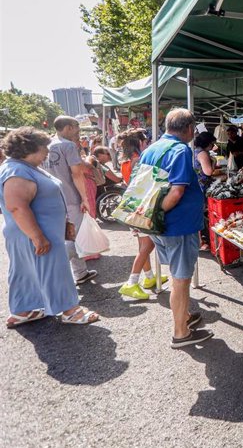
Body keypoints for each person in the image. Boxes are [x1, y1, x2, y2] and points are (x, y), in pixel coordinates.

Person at [0, 127, 99, 327]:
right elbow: (17, 206)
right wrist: (37, 236)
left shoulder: (19, 167)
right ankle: (70, 311)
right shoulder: (17, 171)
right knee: (55, 270)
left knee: (25, 272)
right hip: (36, 233)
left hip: (30, 233)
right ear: (30, 148)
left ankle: (24, 310)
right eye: (44, 147)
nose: (47, 152)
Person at [138, 108, 211, 348]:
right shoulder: (180, 151)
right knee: (181, 280)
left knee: (176, 276)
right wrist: (157, 214)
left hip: (159, 228)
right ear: (189, 129)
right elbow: (177, 192)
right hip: (177, 227)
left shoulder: (150, 149)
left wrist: (150, 217)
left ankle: (186, 317)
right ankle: (181, 332)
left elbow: (142, 187)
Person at [42, 116, 98, 285]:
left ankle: (80, 272)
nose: (78, 130)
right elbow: (77, 173)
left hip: (51, 198)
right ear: (67, 128)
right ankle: (52, 272)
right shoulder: (68, 145)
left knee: (64, 235)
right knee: (75, 237)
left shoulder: (46, 145)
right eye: (76, 127)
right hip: (70, 197)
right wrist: (84, 198)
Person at [118, 133, 168, 299]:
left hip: (133, 206)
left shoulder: (125, 161)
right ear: (139, 142)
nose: (147, 143)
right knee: (147, 246)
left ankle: (149, 277)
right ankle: (131, 282)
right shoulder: (139, 160)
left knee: (143, 245)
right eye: (146, 141)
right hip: (141, 207)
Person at [193, 131, 217, 251]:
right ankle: (201, 242)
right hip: (202, 187)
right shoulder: (203, 153)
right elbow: (208, 172)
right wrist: (214, 163)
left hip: (197, 185)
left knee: (198, 213)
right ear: (207, 143)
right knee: (201, 214)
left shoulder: (195, 151)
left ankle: (200, 241)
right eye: (212, 143)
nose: (213, 146)